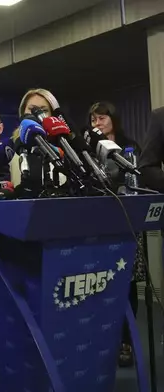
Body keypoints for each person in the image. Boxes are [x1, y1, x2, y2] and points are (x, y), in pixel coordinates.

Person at [88, 101, 145, 367]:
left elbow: (140, 181)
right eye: (93, 120)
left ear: (114, 119)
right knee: (100, 284)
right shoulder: (87, 150)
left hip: (127, 223)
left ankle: (126, 341)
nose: (97, 123)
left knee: (128, 284)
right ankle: (102, 339)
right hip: (97, 225)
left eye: (102, 118)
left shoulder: (129, 146)